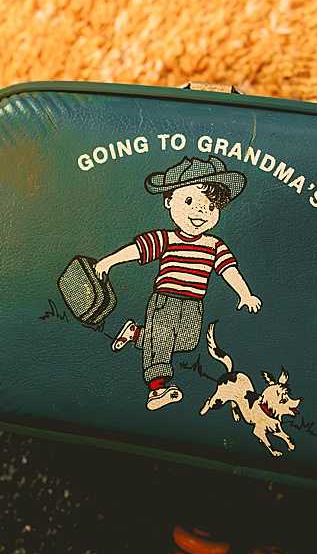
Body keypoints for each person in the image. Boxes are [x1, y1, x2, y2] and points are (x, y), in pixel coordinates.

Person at [92, 155, 261, 412]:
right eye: (190, 201)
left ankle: (135, 333)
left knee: (185, 342)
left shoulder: (214, 245)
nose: (200, 211)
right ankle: (157, 390)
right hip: (166, 300)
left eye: (210, 206)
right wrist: (109, 261)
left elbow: (229, 270)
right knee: (160, 342)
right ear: (169, 201)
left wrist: (245, 294)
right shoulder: (167, 238)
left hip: (194, 304)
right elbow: (138, 250)